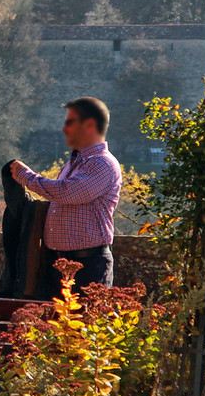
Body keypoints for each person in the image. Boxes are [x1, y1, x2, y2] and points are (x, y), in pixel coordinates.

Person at [9, 96, 122, 296]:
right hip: (59, 264)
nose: (65, 129)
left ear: (89, 125)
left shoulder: (102, 163)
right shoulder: (75, 163)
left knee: (84, 325)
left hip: (88, 265)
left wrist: (25, 176)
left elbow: (66, 193)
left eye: (70, 122)